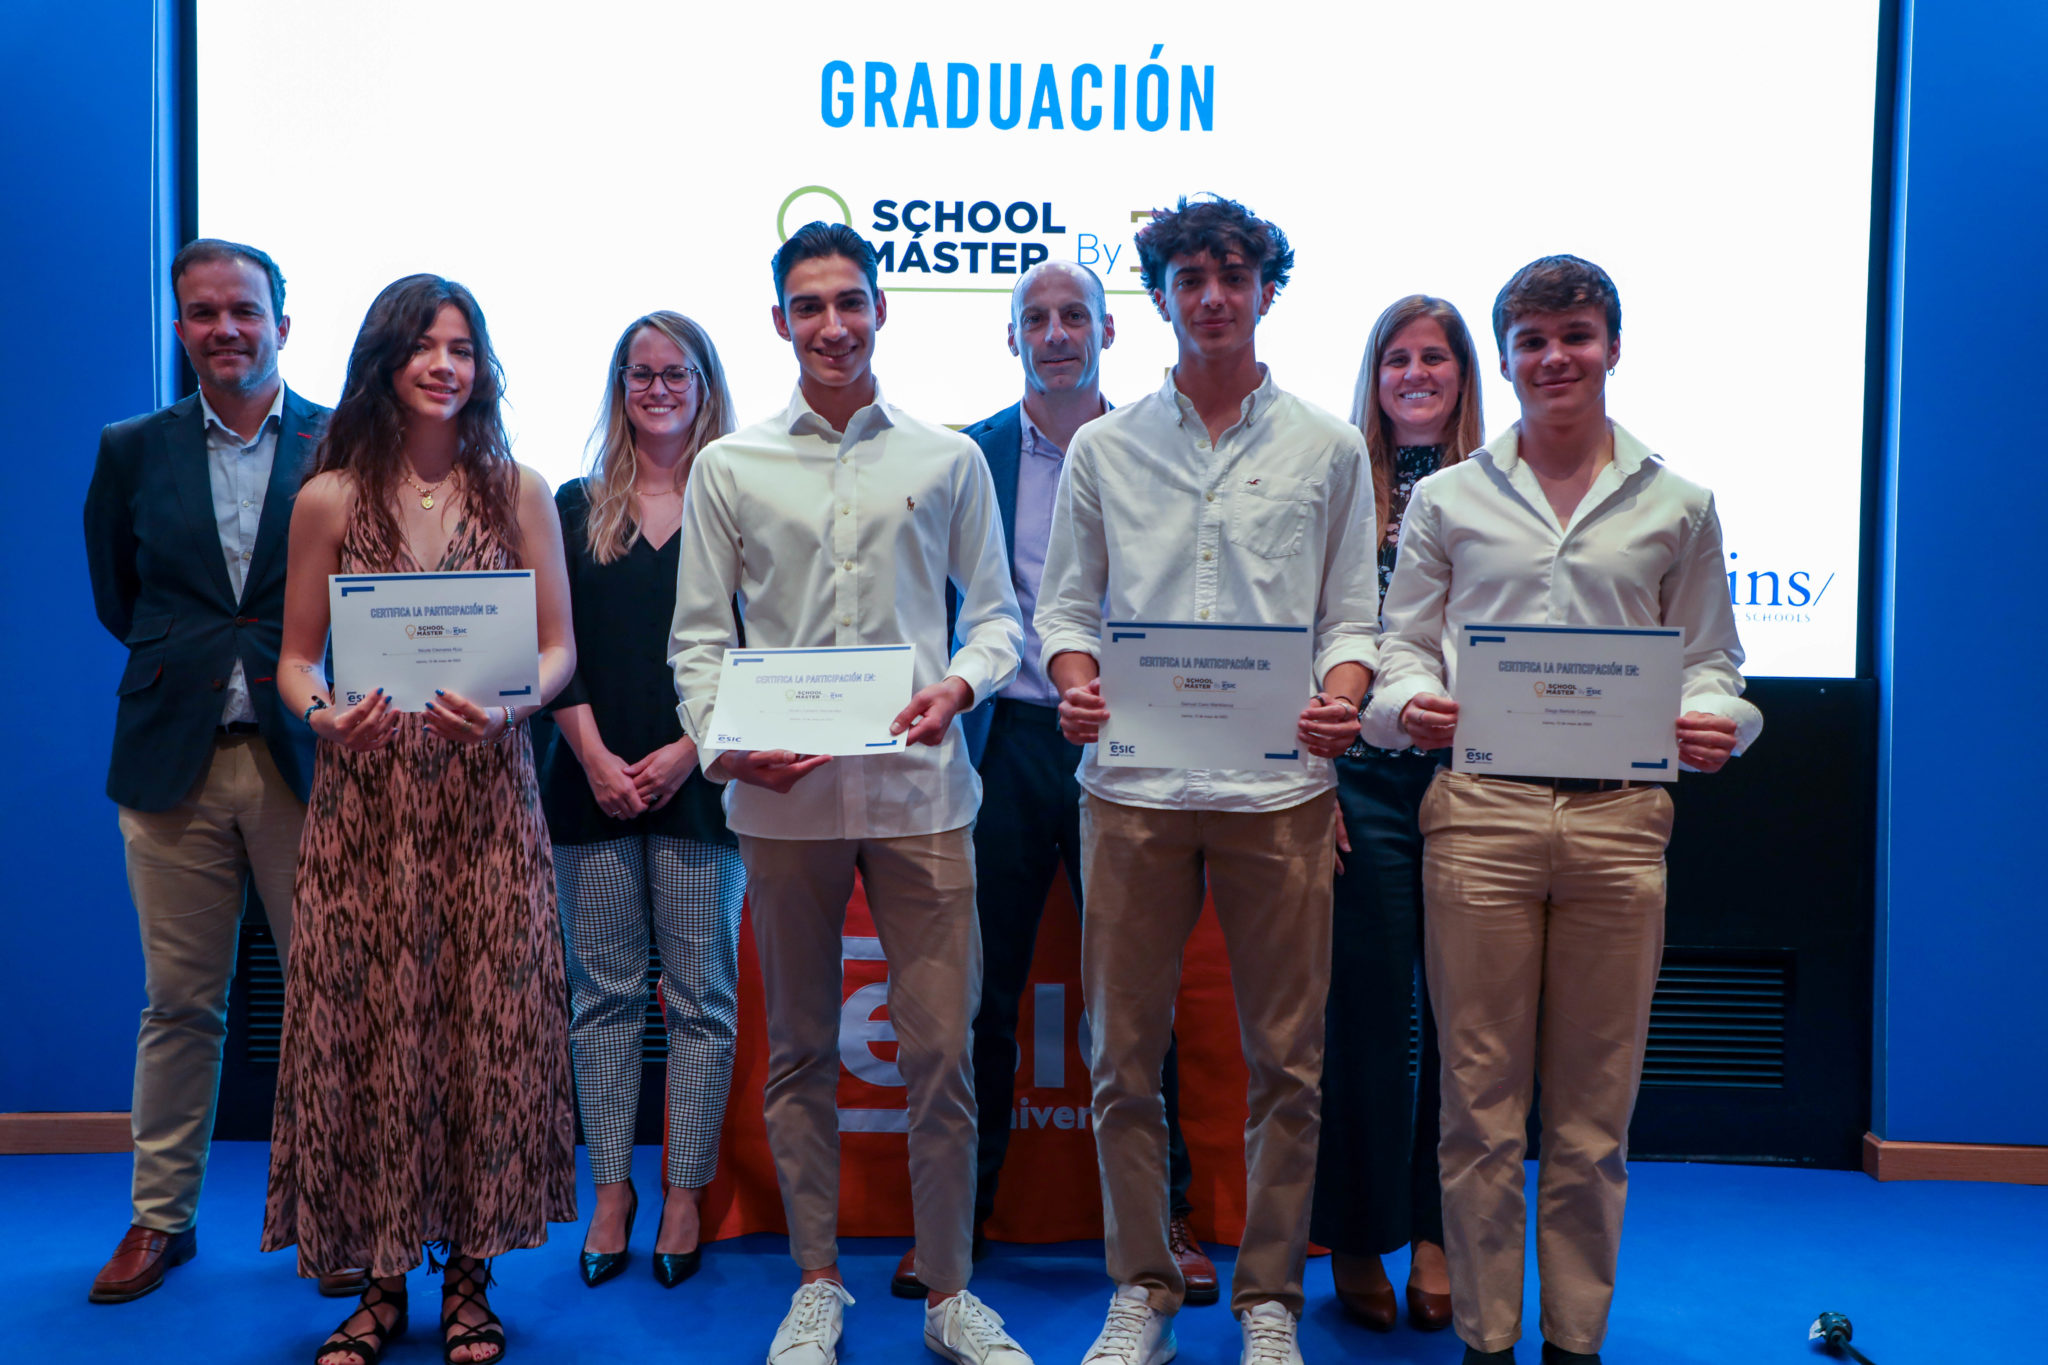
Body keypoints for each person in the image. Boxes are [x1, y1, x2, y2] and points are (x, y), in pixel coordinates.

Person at [1365, 256, 1762, 1365]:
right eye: (1531, 341)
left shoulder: (1679, 504)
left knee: (1593, 1119)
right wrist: (1407, 705)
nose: (1554, 358)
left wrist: (1717, 720)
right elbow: (1401, 649)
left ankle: (1574, 1345)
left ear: (1612, 347)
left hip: (1619, 824)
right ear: (1503, 361)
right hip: (1478, 816)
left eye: (1575, 336)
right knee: (1477, 1110)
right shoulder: (1447, 499)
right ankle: (1488, 1343)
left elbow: (1713, 663)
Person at [668, 222, 1032, 1365]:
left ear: (881, 310)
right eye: (810, 306)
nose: (832, 325)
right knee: (798, 1054)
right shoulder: (729, 467)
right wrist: (725, 746)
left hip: (923, 794)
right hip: (782, 804)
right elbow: (696, 642)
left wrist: (960, 687)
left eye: (850, 302)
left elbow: (998, 620)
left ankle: (948, 1292)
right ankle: (817, 1282)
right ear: (780, 321)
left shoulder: (946, 458)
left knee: (942, 1057)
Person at [1035, 195, 1381, 1365]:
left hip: (1279, 796)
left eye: (1234, 275)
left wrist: (1340, 697)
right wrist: (1076, 684)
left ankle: (1267, 1298)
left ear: (1266, 290)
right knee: (1119, 1061)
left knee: (1288, 1062)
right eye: (1190, 278)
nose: (1214, 297)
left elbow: (1350, 617)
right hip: (1129, 790)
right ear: (1161, 298)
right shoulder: (1104, 448)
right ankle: (1142, 1288)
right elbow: (1065, 611)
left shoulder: (1327, 448)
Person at [261, 274, 578, 1365]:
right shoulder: (328, 499)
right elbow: (294, 659)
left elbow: (557, 648)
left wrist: (514, 706)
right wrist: (322, 715)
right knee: (370, 1036)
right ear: (384, 362)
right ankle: (382, 1282)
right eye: (423, 346)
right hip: (367, 810)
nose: (445, 366)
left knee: (487, 1035)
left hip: (489, 803)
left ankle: (472, 1281)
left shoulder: (519, 489)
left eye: (462, 348)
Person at [888, 260, 1218, 1306]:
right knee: (975, 997)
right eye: (1035, 317)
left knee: (1135, 1002)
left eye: (1075, 315)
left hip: (1126, 742)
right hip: (1002, 743)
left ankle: (1164, 1217)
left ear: (1109, 332)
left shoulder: (1153, 447)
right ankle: (955, 1222)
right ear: (1011, 337)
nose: (1056, 332)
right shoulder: (968, 454)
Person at [81, 238, 364, 1304]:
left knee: (329, 1003)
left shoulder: (346, 442)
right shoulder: (131, 449)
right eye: (202, 313)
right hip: (173, 761)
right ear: (180, 327)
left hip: (313, 762)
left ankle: (340, 1220)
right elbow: (119, 595)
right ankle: (161, 1219)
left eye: (244, 311)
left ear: (282, 324)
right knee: (179, 1006)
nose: (224, 330)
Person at [542, 311, 743, 1290]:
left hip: (705, 786)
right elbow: (549, 646)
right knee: (605, 997)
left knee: (701, 999)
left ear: (706, 384)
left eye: (677, 372)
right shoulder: (573, 505)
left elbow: (761, 649)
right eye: (640, 373)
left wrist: (689, 752)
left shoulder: (741, 502)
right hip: (590, 787)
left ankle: (686, 1190)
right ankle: (613, 1188)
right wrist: (593, 757)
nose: (658, 389)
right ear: (619, 387)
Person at [1310, 295, 1486, 1334]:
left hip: (1477, 782)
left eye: (1435, 357)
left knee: (1467, 1027)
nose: (1415, 374)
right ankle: (1357, 1234)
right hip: (1361, 783)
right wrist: (1317, 779)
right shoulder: (1339, 484)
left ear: (1464, 375)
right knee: (1369, 1023)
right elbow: (1304, 631)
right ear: (1373, 379)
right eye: (1396, 359)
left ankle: (1435, 1234)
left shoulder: (1498, 488)